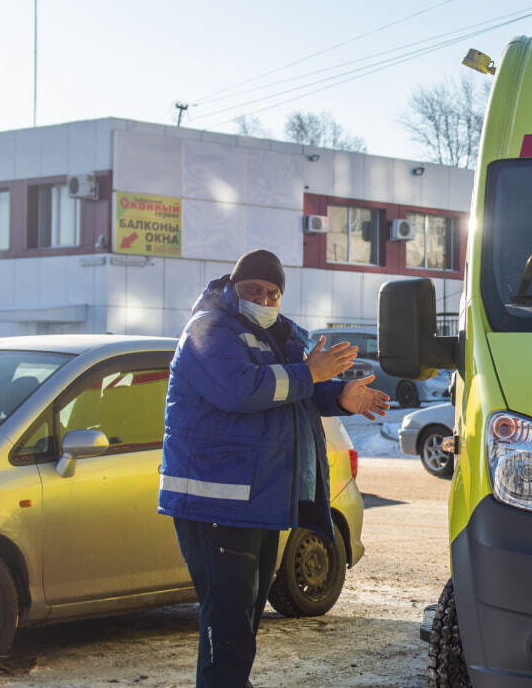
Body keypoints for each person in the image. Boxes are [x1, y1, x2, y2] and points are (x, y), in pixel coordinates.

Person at [158, 249, 389, 687]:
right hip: (215, 503)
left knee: (243, 621)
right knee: (227, 624)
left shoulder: (277, 335)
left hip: (257, 499)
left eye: (273, 292)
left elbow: (296, 386)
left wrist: (339, 395)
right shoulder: (209, 330)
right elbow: (244, 390)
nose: (263, 299)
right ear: (233, 287)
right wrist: (309, 372)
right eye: (253, 290)